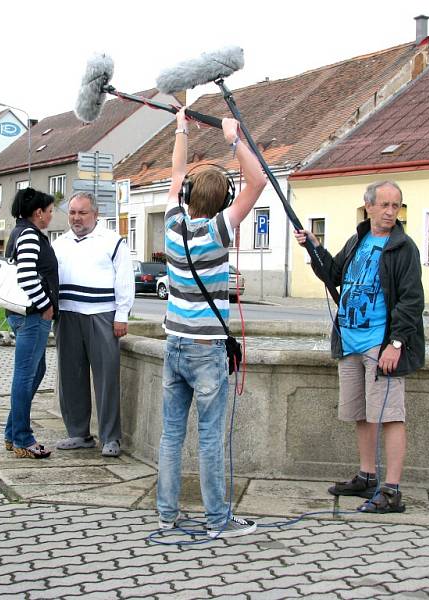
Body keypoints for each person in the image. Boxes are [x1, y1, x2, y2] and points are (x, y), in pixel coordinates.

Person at [157, 109, 266, 538]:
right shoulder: (220, 231)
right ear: (223, 201)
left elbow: (178, 169)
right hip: (206, 352)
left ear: (186, 195)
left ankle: (167, 517)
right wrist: (234, 138)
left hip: (174, 347)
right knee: (208, 438)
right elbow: (256, 182)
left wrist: (182, 127)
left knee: (169, 436)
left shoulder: (172, 225)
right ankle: (218, 520)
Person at [293, 180, 424, 514]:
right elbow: (333, 274)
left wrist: (395, 344)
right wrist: (314, 248)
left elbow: (411, 301)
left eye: (396, 206)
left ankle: (392, 490)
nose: (391, 212)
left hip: (380, 346)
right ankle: (367, 477)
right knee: (361, 414)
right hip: (350, 344)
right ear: (369, 206)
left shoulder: (403, 248)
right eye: (384, 205)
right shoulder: (358, 240)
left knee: (391, 416)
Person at [51, 192, 134, 458]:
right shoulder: (60, 243)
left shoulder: (112, 241)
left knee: (106, 377)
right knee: (70, 376)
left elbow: (124, 278)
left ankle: (111, 437)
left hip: (102, 314)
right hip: (68, 314)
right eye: (72, 212)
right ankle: (78, 433)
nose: (76, 218)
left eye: (82, 213)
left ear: (95, 214)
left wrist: (122, 314)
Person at [3, 187, 58, 459]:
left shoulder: (21, 231)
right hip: (32, 316)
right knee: (25, 376)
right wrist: (45, 305)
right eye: (49, 211)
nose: (51, 216)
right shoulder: (29, 236)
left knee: (34, 372)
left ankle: (12, 432)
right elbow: (26, 276)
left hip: (25, 315)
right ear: (38, 213)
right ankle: (23, 438)